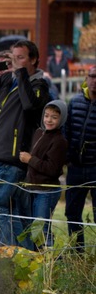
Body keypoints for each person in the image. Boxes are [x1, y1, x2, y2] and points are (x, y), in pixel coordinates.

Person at [0, 40, 50, 248]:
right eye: (13, 58)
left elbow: (30, 106)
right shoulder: (7, 79)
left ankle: (2, 258)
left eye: (20, 58)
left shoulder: (39, 84)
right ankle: (23, 256)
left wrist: (22, 73)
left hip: (13, 158)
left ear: (33, 59)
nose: (15, 62)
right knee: (13, 212)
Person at [19, 100, 68, 248]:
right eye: (46, 116)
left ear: (62, 119)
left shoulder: (60, 141)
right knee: (32, 228)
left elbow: (52, 169)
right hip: (32, 188)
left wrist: (30, 159)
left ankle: (52, 264)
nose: (49, 120)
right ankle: (36, 260)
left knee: (42, 229)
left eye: (54, 117)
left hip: (46, 191)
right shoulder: (39, 132)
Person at [64, 66, 96, 251]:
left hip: (94, 167)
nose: (94, 80)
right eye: (92, 76)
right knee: (72, 212)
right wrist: (67, 157)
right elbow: (66, 130)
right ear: (87, 78)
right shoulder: (75, 102)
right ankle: (78, 253)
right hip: (75, 167)